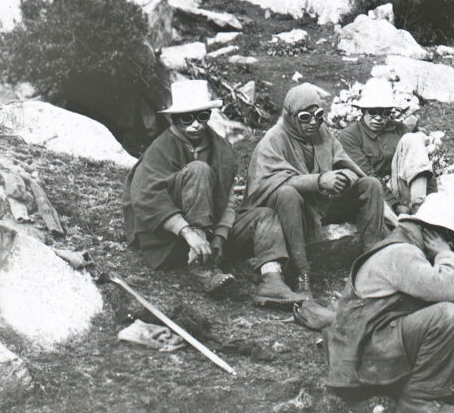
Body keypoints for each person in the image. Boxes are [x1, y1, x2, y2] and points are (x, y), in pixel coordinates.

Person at [325, 192, 454, 413]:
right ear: (434, 234)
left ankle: (433, 387)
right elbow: (445, 292)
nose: (451, 247)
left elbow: (449, 293)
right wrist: (445, 254)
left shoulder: (406, 247)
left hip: (373, 343)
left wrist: (446, 255)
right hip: (362, 354)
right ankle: (417, 399)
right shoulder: (402, 253)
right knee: (446, 318)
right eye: (450, 240)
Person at [241, 83, 387, 303]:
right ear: (290, 116)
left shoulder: (322, 133)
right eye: (305, 117)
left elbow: (348, 166)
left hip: (323, 203)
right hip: (289, 209)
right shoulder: (273, 140)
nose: (313, 123)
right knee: (287, 193)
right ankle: (302, 273)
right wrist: (318, 181)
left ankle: (372, 260)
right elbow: (266, 185)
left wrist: (343, 178)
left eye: (318, 116)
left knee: (371, 185)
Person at [122, 80, 240, 295]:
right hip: (165, 234)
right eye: (187, 118)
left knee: (261, 217)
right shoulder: (160, 148)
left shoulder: (221, 148)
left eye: (202, 117)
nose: (196, 125)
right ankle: (202, 268)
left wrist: (221, 235)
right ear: (174, 119)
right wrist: (189, 232)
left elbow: (228, 196)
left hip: (208, 226)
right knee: (199, 169)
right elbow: (145, 196)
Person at [337, 78, 436, 217]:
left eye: (385, 113)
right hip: (374, 192)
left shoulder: (399, 128)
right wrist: (395, 205)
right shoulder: (350, 136)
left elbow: (421, 164)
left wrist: (433, 197)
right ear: (363, 111)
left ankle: (421, 206)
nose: (379, 118)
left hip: (403, 186)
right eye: (373, 112)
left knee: (414, 139)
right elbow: (366, 175)